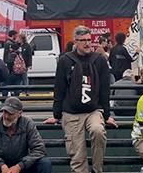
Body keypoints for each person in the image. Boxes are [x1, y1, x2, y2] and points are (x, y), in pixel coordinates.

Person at [44, 25, 115, 173]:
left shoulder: (99, 60)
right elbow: (59, 88)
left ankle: (97, 169)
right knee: (78, 159)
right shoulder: (65, 60)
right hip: (71, 113)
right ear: (75, 42)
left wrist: (107, 115)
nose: (87, 43)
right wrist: (56, 115)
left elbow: (104, 90)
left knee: (98, 131)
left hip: (93, 111)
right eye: (83, 40)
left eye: (89, 39)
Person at [0, 97, 51, 173]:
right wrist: (1, 165)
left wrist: (20, 166)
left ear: (19, 114)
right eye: (4, 112)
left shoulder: (27, 123)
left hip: (22, 167)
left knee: (45, 163)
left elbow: (39, 149)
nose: (6, 116)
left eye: (10, 114)